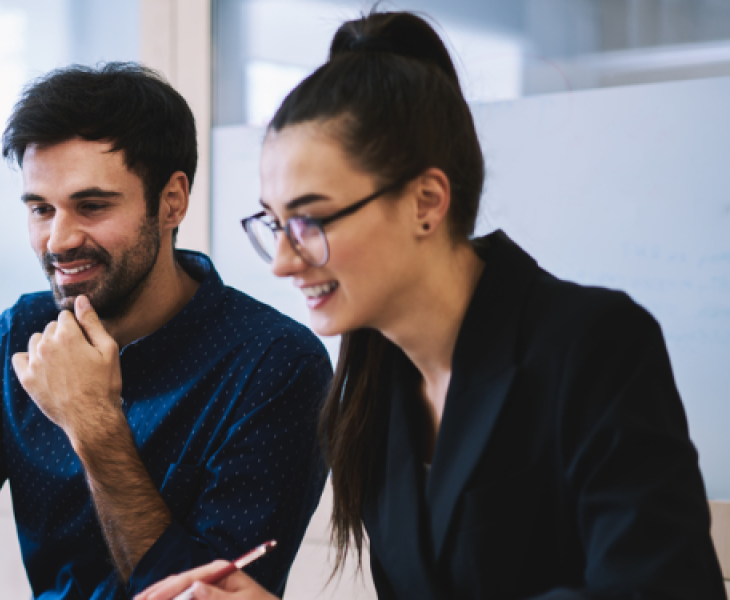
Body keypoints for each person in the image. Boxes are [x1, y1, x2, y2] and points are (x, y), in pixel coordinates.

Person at [137, 11, 727, 600]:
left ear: (426, 201)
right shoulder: (373, 394)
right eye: (275, 223)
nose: (284, 262)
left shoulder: (593, 346)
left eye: (311, 220)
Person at [0, 63, 334, 600]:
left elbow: (209, 593)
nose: (58, 240)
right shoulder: (19, 336)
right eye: (40, 209)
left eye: (92, 206)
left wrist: (94, 427)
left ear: (172, 201)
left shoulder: (276, 365)